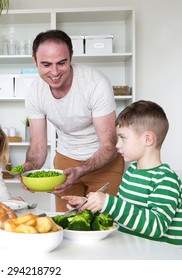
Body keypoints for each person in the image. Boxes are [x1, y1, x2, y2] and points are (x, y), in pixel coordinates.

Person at [21, 29, 124, 211]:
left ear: (71, 56)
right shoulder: (34, 92)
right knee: (67, 225)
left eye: (62, 63)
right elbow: (38, 146)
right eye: (46, 64)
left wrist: (80, 170)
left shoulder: (95, 83)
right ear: (34, 60)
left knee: (102, 225)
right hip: (65, 163)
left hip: (105, 162)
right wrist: (29, 167)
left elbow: (109, 145)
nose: (54, 72)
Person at [64, 100, 182, 246]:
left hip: (160, 256)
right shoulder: (131, 172)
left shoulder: (166, 179)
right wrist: (90, 206)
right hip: (131, 249)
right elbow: (122, 215)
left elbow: (156, 227)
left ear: (148, 139)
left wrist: (109, 203)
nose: (117, 144)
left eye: (123, 138)